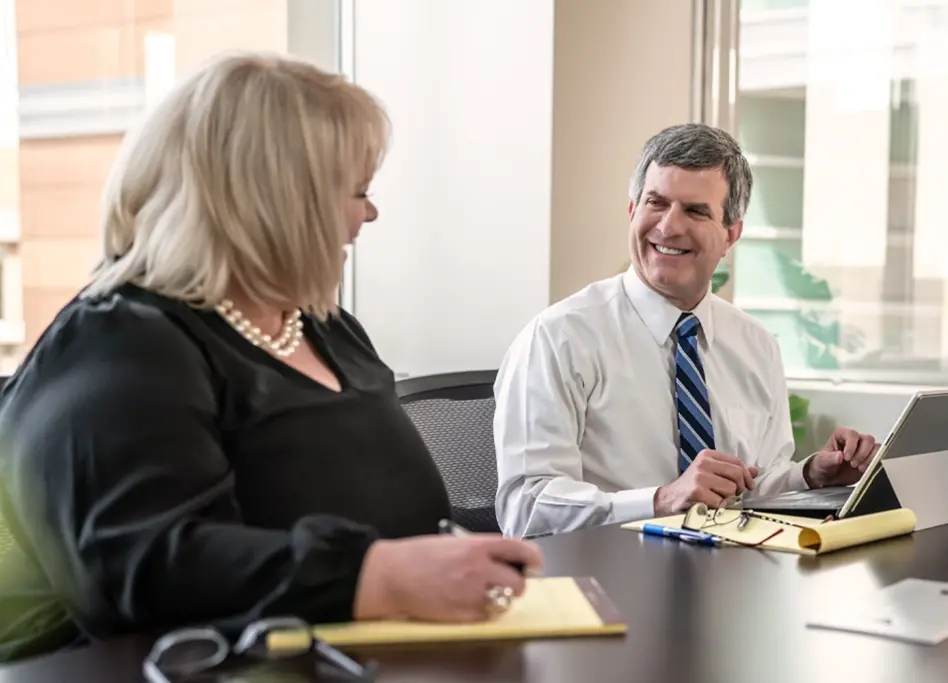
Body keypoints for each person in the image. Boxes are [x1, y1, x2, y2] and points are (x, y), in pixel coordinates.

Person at [0, 51, 541, 661]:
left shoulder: (330, 331)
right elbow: (145, 568)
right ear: (275, 201)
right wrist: (377, 576)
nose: (370, 212)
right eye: (357, 190)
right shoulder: (124, 343)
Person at [493, 123, 880, 539]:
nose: (668, 227)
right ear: (631, 211)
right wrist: (661, 501)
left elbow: (753, 487)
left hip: (730, 579)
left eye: (695, 211)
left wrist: (810, 476)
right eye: (655, 203)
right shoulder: (558, 338)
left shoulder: (754, 344)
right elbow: (525, 507)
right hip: (609, 580)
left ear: (731, 234)